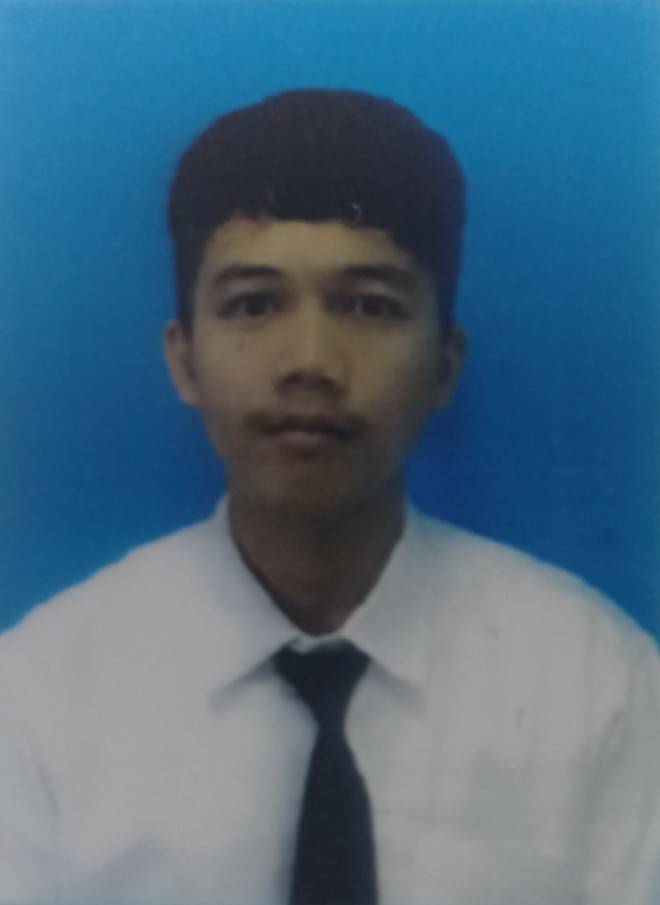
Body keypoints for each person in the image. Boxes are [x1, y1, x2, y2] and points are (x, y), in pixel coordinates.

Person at [0, 88, 658, 905]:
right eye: (254, 303)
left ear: (445, 364)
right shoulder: (37, 695)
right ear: (183, 358)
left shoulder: (600, 687)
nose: (310, 360)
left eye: (370, 306)